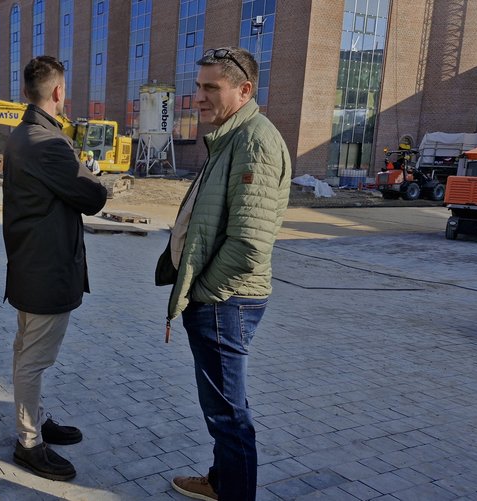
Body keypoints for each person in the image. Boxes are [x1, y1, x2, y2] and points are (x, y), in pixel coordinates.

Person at [155, 47, 291, 501]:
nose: (199, 97)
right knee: (222, 406)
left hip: (225, 301)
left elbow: (250, 243)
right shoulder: (231, 136)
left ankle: (233, 492)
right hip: (221, 299)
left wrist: (204, 294)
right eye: (198, 87)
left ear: (244, 90)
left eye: (211, 87)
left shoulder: (254, 142)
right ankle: (220, 482)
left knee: (228, 415)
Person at [2, 55, 108, 482]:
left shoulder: (22, 135)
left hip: (30, 265)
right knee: (33, 360)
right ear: (59, 91)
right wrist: (93, 176)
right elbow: (92, 197)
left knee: (25, 351)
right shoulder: (48, 142)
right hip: (45, 270)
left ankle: (36, 420)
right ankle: (29, 443)